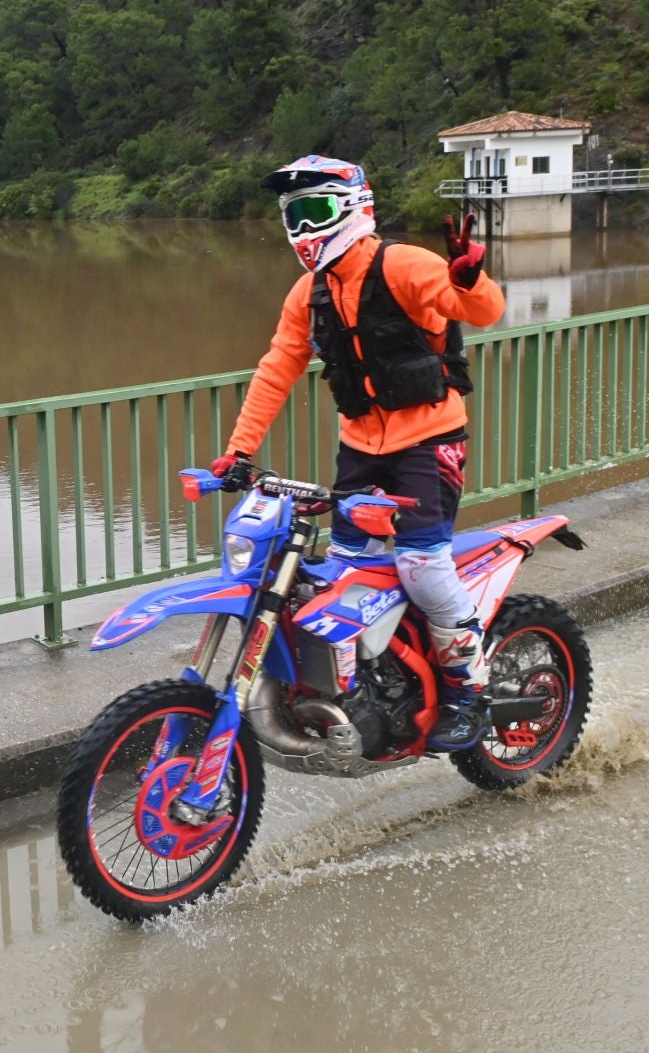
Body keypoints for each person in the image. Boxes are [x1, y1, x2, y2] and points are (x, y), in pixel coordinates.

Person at [208, 155, 505, 751]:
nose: (303, 227)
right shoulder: (308, 293)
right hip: (360, 449)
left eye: (315, 209)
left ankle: (470, 689)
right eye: (293, 214)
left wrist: (471, 279)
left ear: (353, 206)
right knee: (346, 572)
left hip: (428, 441)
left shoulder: (403, 264)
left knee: (422, 563)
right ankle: (364, 686)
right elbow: (277, 369)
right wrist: (239, 450)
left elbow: (480, 311)